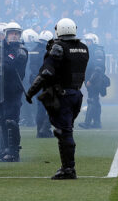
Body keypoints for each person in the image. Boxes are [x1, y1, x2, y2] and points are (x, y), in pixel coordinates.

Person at [25, 18, 89, 180]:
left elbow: (46, 73)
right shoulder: (83, 48)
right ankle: (67, 167)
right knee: (65, 130)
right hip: (76, 94)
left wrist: (31, 91)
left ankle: (68, 169)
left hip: (63, 95)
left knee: (64, 132)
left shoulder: (58, 48)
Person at [0, 21, 28, 162]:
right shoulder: (1, 48)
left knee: (10, 120)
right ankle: (3, 150)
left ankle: (13, 152)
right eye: (11, 33)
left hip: (13, 90)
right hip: (0, 90)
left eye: (16, 33)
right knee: (0, 119)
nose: (14, 36)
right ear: (6, 35)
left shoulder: (20, 50)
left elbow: (8, 65)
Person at [79, 33, 110, 129]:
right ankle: (97, 122)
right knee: (95, 100)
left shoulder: (97, 51)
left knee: (92, 100)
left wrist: (91, 80)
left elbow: (98, 68)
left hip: (95, 80)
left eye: (89, 41)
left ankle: (87, 123)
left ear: (94, 41)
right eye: (86, 41)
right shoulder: (91, 50)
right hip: (92, 79)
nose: (87, 43)